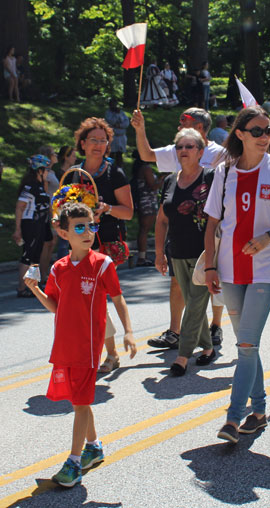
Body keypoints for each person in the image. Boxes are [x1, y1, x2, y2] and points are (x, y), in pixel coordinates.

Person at [204, 106, 270, 443]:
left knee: (246, 344)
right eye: (258, 131)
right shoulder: (224, 172)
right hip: (230, 268)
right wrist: (210, 266)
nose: (266, 137)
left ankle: (233, 419)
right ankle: (260, 411)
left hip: (265, 268)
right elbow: (212, 224)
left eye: (269, 130)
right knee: (248, 345)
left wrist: (269, 237)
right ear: (241, 135)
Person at [24, 202, 136, 488]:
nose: (88, 233)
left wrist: (129, 331)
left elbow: (118, 297)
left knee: (82, 403)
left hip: (88, 346)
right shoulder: (59, 268)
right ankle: (94, 447)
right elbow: (55, 306)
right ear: (64, 233)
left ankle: (74, 461)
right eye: (80, 227)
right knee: (79, 401)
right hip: (64, 343)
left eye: (92, 226)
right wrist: (35, 289)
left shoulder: (102, 264)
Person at [132, 107, 225, 348]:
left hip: (211, 228)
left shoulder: (220, 154)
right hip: (181, 228)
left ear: (201, 129)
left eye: (184, 123)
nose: (178, 129)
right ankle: (175, 331)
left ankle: (215, 326)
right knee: (178, 282)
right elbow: (147, 154)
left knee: (212, 280)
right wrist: (140, 129)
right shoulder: (178, 149)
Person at [73, 117, 134, 373]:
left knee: (97, 298)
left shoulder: (114, 172)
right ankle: (107, 352)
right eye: (93, 140)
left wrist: (106, 209)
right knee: (89, 300)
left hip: (107, 244)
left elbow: (129, 212)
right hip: (80, 243)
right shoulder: (75, 173)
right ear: (83, 144)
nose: (99, 145)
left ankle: (109, 352)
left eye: (103, 140)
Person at [155, 128, 216, 376]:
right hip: (177, 251)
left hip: (205, 253)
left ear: (201, 152)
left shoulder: (211, 178)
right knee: (193, 302)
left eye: (189, 146)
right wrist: (159, 253)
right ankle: (208, 349)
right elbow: (161, 220)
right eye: (180, 147)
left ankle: (183, 354)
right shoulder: (169, 181)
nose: (183, 151)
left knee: (195, 302)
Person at [13, 155, 52, 297]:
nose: (48, 172)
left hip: (40, 224)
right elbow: (19, 207)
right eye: (46, 169)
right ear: (39, 170)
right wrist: (17, 229)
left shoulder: (41, 186)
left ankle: (33, 286)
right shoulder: (30, 187)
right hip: (30, 224)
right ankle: (22, 288)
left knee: (36, 255)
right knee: (27, 255)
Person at [131, 149, 164, 267]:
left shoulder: (140, 168)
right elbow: (153, 186)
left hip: (143, 201)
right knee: (145, 229)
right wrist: (163, 178)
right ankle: (142, 258)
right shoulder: (146, 169)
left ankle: (142, 256)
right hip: (147, 202)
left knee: (143, 229)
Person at [37, 145, 60, 283]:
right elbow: (44, 192)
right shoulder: (45, 173)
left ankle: (44, 274)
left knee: (52, 243)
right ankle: (41, 274)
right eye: (53, 153)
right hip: (48, 211)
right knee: (47, 243)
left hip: (54, 209)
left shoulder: (51, 172)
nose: (56, 155)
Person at [54, 146, 77, 259]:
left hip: (72, 207)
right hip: (62, 208)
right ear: (66, 157)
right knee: (64, 242)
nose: (75, 158)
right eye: (73, 156)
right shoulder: (59, 174)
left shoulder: (73, 173)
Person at [104, 98, 130, 169]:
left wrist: (119, 125)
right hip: (113, 136)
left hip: (121, 136)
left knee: (119, 154)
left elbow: (126, 122)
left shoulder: (121, 112)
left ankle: (119, 168)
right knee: (111, 153)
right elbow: (110, 122)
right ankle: (109, 168)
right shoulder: (108, 113)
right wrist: (116, 119)